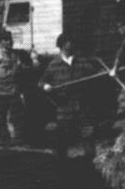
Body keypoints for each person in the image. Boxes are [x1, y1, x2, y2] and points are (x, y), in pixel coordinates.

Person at [39, 33, 102, 161]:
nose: (71, 45)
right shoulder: (54, 65)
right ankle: (61, 165)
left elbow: (96, 74)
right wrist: (46, 86)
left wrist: (105, 73)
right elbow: (41, 82)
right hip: (64, 107)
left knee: (88, 134)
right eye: (68, 43)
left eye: (72, 42)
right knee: (62, 137)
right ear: (62, 46)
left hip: (82, 106)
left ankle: (90, 165)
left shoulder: (82, 62)